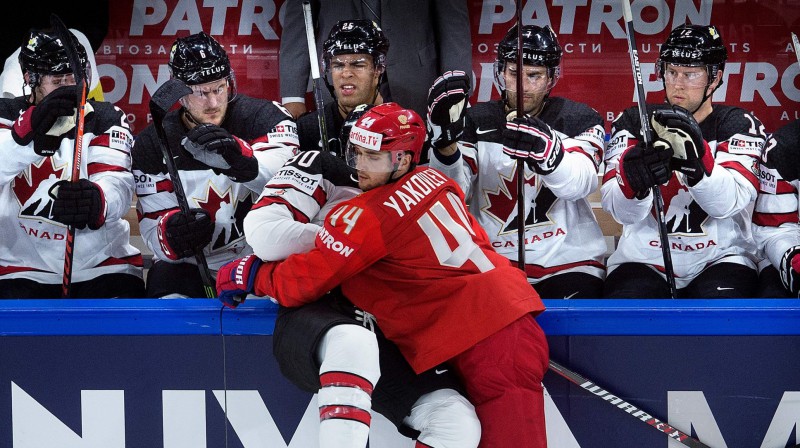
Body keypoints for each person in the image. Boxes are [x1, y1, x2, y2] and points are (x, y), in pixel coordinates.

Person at [219, 103, 550, 448]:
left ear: (403, 160)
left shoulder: (369, 215)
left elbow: (303, 281)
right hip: (497, 326)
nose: (359, 166)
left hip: (491, 339)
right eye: (357, 153)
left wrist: (254, 273)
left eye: (372, 157)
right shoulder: (438, 180)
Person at [427, 24, 607, 299]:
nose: (523, 85)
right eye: (514, 73)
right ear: (500, 72)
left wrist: (549, 154)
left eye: (534, 75)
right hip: (494, 264)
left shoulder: (578, 119)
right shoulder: (476, 121)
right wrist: (444, 147)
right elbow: (453, 192)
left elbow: (578, 184)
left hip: (568, 264)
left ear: (551, 78)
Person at [601, 24, 764, 298]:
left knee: (721, 321)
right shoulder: (633, 121)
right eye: (671, 71)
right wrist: (634, 185)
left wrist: (698, 167)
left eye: (690, 74)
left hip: (722, 258)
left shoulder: (739, 124)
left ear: (715, 78)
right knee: (628, 322)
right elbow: (619, 212)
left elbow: (726, 205)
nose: (677, 83)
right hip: (642, 260)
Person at [132, 32, 298, 298]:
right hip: (189, 265)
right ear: (178, 90)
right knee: (165, 291)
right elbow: (153, 221)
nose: (213, 103)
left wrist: (242, 160)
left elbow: (289, 181)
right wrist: (171, 235)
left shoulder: (266, 117)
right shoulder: (152, 142)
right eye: (200, 92)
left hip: (257, 257)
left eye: (219, 88)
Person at [0, 27, 144, 298]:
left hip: (103, 266)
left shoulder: (106, 116)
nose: (68, 89)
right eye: (57, 81)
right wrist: (26, 135)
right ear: (30, 78)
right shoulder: (5, 115)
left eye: (73, 79)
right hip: (19, 268)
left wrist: (98, 200)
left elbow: (117, 182)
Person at [278, 0, 472, 121]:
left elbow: (453, 23)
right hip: (342, 85)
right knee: (342, 168)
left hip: (415, 84)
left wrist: (457, 91)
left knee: (413, 166)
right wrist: (293, 96)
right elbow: (299, 20)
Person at [295, 19, 387, 155]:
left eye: (358, 65)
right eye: (338, 65)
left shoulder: (401, 125)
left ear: (378, 69)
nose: (346, 73)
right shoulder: (306, 129)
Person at [752, 119, 800, 298]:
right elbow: (772, 230)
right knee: (771, 303)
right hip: (790, 250)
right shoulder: (784, 145)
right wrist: (794, 260)